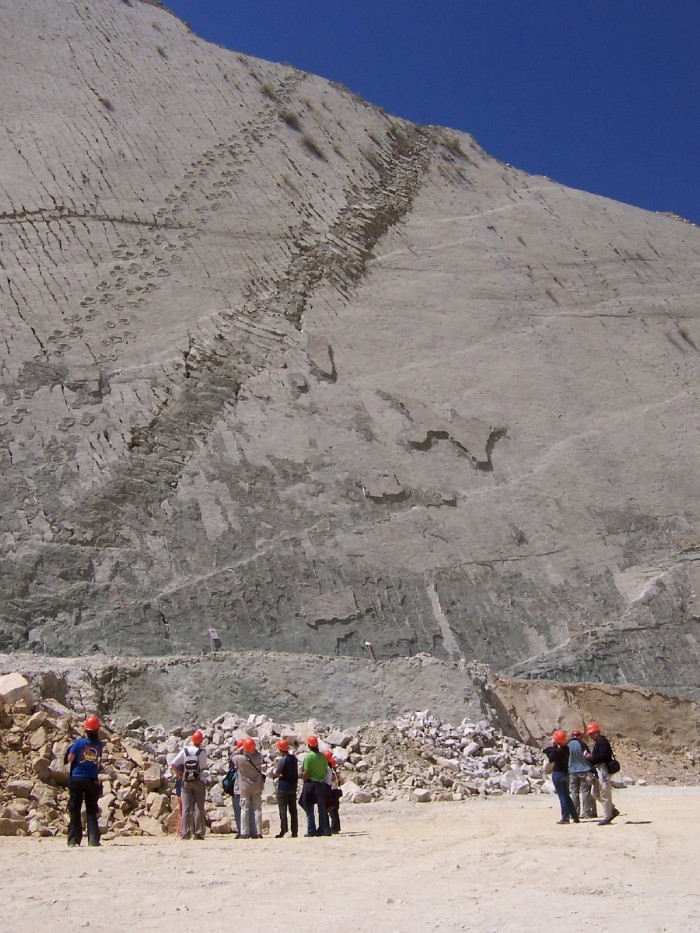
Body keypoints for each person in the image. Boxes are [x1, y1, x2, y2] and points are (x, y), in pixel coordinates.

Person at [66, 714, 104, 847]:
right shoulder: (99, 745)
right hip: (91, 779)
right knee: (91, 809)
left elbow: (70, 758)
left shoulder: (79, 743)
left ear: (85, 729)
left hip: (76, 778)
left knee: (75, 809)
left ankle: (73, 840)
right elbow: (97, 761)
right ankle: (93, 839)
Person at [171, 730, 207, 840]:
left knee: (186, 808)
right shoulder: (201, 752)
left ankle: (185, 832)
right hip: (198, 780)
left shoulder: (185, 751)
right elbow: (204, 766)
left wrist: (181, 775)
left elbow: (173, 764)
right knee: (198, 807)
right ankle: (198, 832)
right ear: (201, 741)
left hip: (186, 782)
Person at [584, 722, 620, 826]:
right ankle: (611, 810)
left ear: (596, 733)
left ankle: (607, 817)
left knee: (604, 793)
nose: (590, 737)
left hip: (603, 770)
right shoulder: (599, 742)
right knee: (595, 793)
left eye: (591, 734)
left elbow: (603, 756)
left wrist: (591, 758)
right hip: (599, 769)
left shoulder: (602, 742)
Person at [543, 729, 579, 825]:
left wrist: (552, 746)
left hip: (558, 774)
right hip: (566, 773)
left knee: (562, 796)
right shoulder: (566, 749)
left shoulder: (556, 751)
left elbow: (550, 758)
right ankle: (575, 816)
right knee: (567, 795)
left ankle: (565, 817)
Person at [233, 738, 265, 839]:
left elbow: (232, 756)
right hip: (256, 786)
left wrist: (240, 748)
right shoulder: (258, 757)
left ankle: (244, 832)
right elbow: (258, 753)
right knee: (257, 810)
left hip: (244, 787)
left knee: (244, 810)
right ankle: (258, 832)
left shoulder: (239, 759)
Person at [300, 735, 331, 837]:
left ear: (309, 745)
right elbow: (325, 770)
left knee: (309, 808)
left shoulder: (308, 757)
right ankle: (322, 829)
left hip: (310, 784)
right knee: (321, 808)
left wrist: (301, 777)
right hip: (320, 784)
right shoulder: (323, 757)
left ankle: (311, 830)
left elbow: (305, 773)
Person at [567, 729, 597, 819]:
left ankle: (575, 813)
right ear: (580, 736)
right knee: (585, 792)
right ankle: (587, 813)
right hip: (584, 770)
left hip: (572, 771)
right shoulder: (582, 744)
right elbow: (587, 756)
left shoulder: (567, 745)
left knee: (574, 793)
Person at [272, 739, 299, 838]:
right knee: (293, 810)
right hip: (293, 786)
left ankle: (284, 829)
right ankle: (294, 831)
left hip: (283, 787)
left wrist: (274, 774)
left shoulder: (283, 760)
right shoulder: (294, 759)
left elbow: (277, 772)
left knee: (283, 810)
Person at [324, 749, 343, 835]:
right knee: (335, 810)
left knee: (332, 810)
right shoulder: (334, 769)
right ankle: (336, 827)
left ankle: (334, 827)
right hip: (335, 791)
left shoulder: (329, 770)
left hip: (331, 791)